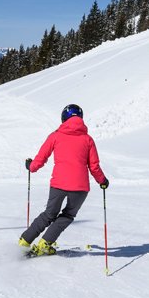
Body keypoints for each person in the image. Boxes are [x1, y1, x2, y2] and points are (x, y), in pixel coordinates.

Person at [20, 104, 109, 256]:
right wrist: (103, 180)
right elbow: (94, 167)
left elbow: (41, 158)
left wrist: (31, 166)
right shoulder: (88, 139)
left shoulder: (55, 135)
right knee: (67, 215)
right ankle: (45, 243)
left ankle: (25, 240)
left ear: (64, 118)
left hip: (58, 184)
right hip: (80, 188)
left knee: (49, 214)